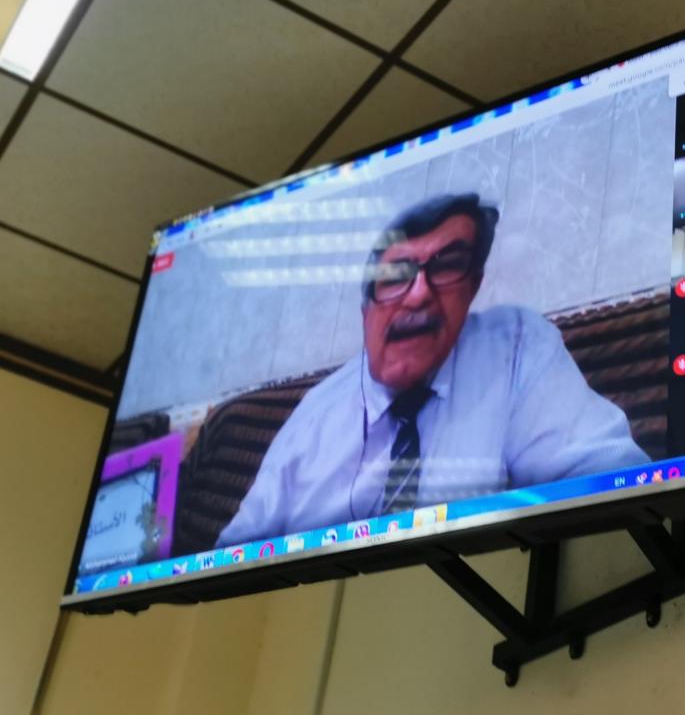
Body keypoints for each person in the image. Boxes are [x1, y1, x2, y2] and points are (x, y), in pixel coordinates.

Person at [217, 193, 648, 545]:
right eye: (396, 275)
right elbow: (235, 555)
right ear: (366, 309)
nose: (420, 294)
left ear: (473, 287)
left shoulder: (516, 346)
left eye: (445, 266)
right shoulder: (315, 411)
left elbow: (614, 486)